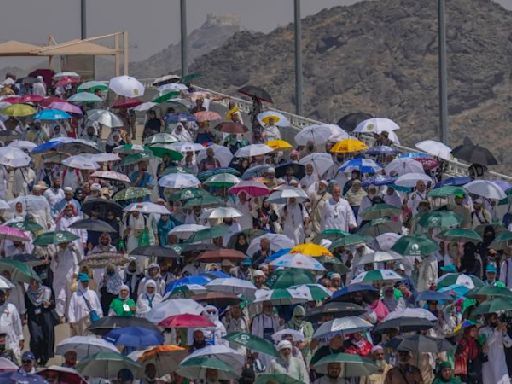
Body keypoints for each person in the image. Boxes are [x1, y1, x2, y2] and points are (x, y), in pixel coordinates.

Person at [25, 278, 55, 366]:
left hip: (45, 317)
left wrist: (49, 304)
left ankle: (44, 358)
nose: (32, 284)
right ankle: (34, 357)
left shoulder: (47, 290)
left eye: (34, 282)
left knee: (45, 337)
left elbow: (53, 304)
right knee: (35, 337)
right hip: (33, 318)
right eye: (31, 282)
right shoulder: (28, 293)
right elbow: (26, 306)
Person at [480, 313, 512, 384]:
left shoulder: (499, 329)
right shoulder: (482, 330)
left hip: (501, 362)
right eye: (494, 318)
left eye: (497, 318)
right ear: (488, 320)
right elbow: (486, 343)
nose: (496, 320)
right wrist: (497, 331)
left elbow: (508, 344)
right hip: (489, 363)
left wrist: (504, 333)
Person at [0, 289, 24, 361]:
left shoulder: (11, 308)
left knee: (13, 361)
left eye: (1, 295)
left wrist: (21, 338)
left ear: (5, 296)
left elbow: (17, 324)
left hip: (10, 340)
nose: (0, 297)